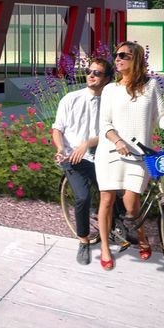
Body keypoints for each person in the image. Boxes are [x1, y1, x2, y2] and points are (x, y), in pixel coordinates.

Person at [94, 39, 164, 270]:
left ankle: (142, 237)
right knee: (106, 199)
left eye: (123, 55)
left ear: (135, 58)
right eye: (116, 55)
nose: (117, 59)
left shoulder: (150, 86)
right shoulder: (110, 90)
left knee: (132, 203)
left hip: (138, 155)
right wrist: (117, 141)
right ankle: (106, 248)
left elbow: (162, 116)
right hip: (111, 152)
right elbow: (104, 124)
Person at [53, 55, 108, 263]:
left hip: (101, 156)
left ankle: (116, 227)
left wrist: (88, 144)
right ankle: (84, 240)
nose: (91, 76)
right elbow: (57, 129)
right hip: (73, 157)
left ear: (108, 78)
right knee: (83, 197)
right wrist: (60, 149)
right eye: (89, 72)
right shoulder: (71, 99)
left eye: (97, 73)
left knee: (116, 193)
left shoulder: (111, 102)